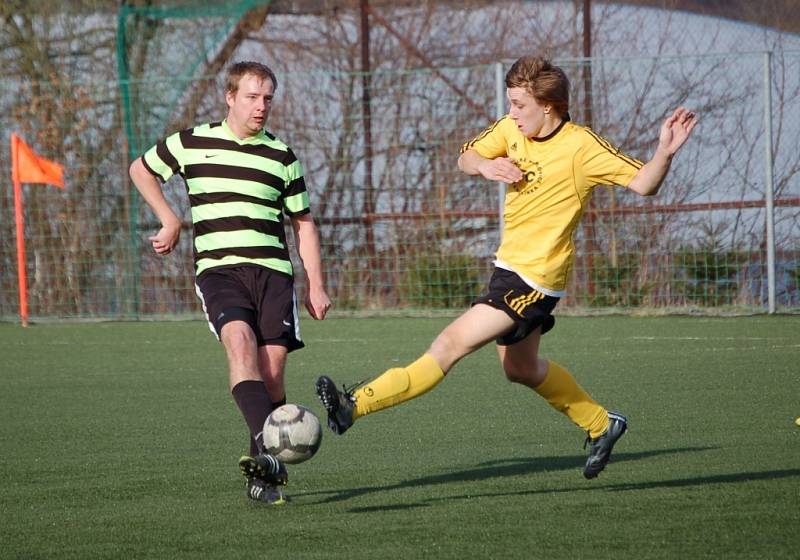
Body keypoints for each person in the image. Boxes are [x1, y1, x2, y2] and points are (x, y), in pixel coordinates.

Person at [316, 55, 696, 479]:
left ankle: (355, 405)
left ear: (548, 106)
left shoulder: (581, 147)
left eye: (519, 105)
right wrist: (485, 165)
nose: (512, 114)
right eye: (511, 103)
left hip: (535, 279)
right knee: (519, 368)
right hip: (507, 267)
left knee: (448, 345)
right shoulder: (510, 130)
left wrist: (664, 151)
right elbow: (465, 156)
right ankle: (602, 424)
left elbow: (644, 183)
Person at [129, 61, 331, 504]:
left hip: (275, 275)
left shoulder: (282, 156)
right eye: (253, 97)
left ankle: (261, 476)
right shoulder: (193, 142)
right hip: (219, 270)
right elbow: (140, 169)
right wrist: (170, 218)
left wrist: (316, 284)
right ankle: (273, 457)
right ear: (230, 97)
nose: (262, 107)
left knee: (273, 377)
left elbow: (304, 224)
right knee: (240, 346)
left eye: (268, 99)